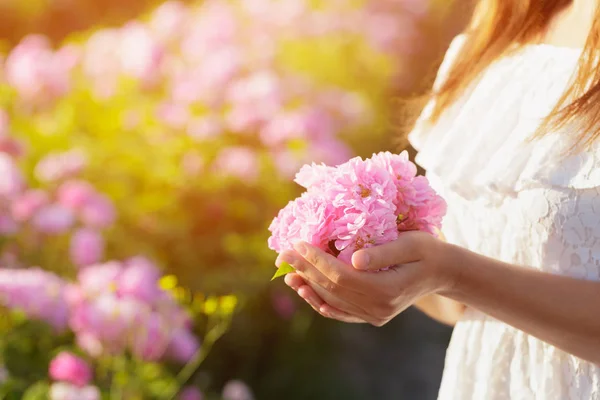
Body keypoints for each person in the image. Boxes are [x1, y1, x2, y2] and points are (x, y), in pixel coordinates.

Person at [276, 0, 600, 399]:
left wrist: (452, 273)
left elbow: (460, 277)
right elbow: (464, 308)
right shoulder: (508, 20)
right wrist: (388, 275)